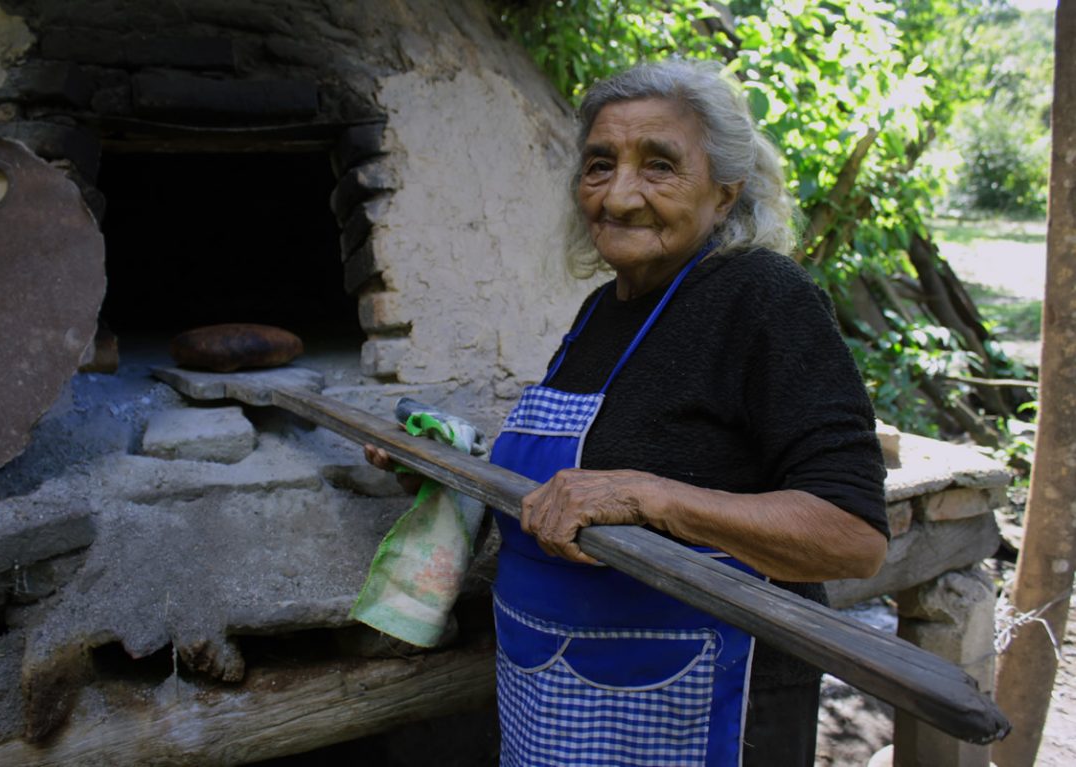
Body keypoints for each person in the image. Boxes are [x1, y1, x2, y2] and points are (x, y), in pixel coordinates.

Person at [369, 58, 889, 767]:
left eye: (659, 166)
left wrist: (646, 497)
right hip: (551, 698)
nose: (619, 196)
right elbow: (563, 492)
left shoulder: (764, 297)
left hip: (702, 708)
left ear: (725, 193)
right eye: (599, 164)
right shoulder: (600, 313)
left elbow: (852, 535)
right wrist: (448, 471)